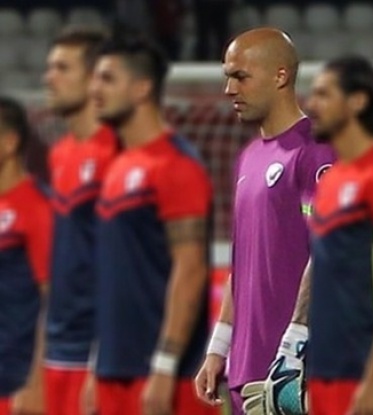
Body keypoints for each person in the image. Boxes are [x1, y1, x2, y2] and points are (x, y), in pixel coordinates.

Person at [194, 28, 336, 414]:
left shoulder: (315, 153)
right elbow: (242, 262)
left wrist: (295, 345)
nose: (229, 89)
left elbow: (326, 252)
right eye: (228, 76)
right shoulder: (249, 157)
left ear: (280, 76)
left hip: (290, 371)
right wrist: (219, 347)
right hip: (245, 369)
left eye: (240, 76)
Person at [251, 56, 373, 415]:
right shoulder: (332, 180)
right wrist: (293, 343)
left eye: (324, 94)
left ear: (357, 102)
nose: (312, 104)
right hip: (324, 366)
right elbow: (320, 262)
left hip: (365, 370)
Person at [88, 32, 216, 415]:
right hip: (115, 371)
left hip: (165, 378)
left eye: (107, 79)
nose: (94, 90)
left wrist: (164, 364)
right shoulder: (118, 165)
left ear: (142, 88)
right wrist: (97, 364)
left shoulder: (177, 166)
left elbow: (190, 268)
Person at [43, 27, 119, 415]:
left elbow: (121, 266)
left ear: (93, 79)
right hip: (56, 343)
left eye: (61, 68)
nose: (48, 78)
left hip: (95, 349)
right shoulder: (60, 153)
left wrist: (102, 355)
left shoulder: (116, 153)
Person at [0, 97, 52, 415]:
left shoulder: (37, 206)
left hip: (14, 380)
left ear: (9, 142)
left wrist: (36, 381)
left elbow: (52, 298)